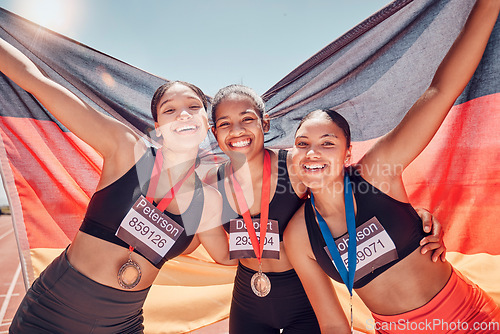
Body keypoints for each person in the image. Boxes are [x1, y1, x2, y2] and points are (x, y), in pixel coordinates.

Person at [284, 1, 500, 333]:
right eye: (302, 144)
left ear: (346, 154)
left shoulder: (377, 173)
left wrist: (489, 6)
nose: (313, 153)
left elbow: (441, 91)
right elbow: (332, 323)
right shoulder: (298, 236)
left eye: (327, 143)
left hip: (470, 317)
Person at [0, 38, 236, 333]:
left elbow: (229, 256)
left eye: (193, 106)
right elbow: (36, 81)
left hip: (122, 325)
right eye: (170, 110)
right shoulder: (126, 151)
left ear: (207, 122)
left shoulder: (208, 202)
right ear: (158, 128)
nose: (184, 114)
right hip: (52, 315)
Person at [204, 84, 446, 334]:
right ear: (214, 131)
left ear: (264, 124)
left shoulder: (296, 166)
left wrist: (412, 218)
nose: (237, 130)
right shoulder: (211, 184)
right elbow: (220, 254)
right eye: (224, 124)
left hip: (304, 296)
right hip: (248, 294)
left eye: (247, 119)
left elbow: (350, 187)